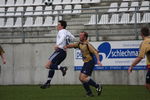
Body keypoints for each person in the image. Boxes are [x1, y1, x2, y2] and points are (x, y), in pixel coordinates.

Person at [64, 32, 103, 97]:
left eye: (81, 36)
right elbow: (72, 45)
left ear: (84, 37)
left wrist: (98, 61)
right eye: (79, 35)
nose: (79, 36)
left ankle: (97, 86)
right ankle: (89, 93)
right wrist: (65, 46)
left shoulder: (88, 45)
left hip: (90, 62)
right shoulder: (80, 44)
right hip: (86, 62)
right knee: (81, 78)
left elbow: (95, 52)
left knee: (83, 78)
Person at [40, 20, 75, 89]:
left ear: (61, 26)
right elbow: (73, 38)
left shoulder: (61, 31)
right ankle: (48, 82)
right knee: (53, 66)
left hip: (59, 51)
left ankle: (63, 68)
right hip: (64, 53)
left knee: (48, 65)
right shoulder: (67, 32)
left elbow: (62, 37)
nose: (57, 26)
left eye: (58, 24)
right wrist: (67, 44)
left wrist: (57, 44)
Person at [128, 27, 150, 91]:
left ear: (141, 34)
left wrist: (131, 66)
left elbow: (140, 57)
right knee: (147, 84)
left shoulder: (145, 43)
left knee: (148, 85)